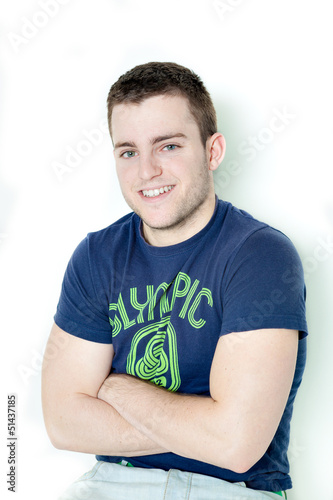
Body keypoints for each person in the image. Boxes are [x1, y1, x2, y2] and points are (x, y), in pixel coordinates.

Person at [42, 62, 308, 500]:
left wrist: (112, 386)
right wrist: (207, 426)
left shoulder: (260, 256)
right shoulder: (96, 256)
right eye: (128, 151)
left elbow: (237, 447)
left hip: (229, 488)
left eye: (167, 146)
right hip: (114, 484)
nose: (146, 171)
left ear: (212, 151)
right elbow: (62, 422)